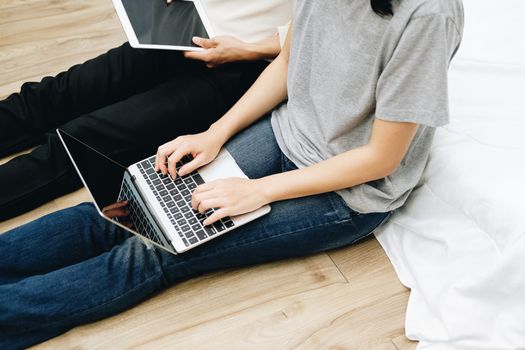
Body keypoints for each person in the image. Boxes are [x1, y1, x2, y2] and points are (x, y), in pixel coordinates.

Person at [0, 0, 464, 348]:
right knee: (128, 201)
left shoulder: (427, 15)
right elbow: (289, 61)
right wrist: (215, 134)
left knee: (155, 252)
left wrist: (255, 191)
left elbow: (380, 159)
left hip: (351, 191)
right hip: (286, 133)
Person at [0, 0, 292, 221]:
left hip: (252, 63)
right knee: (54, 95)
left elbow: (315, 29)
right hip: (187, 23)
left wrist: (252, 49)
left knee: (83, 139)